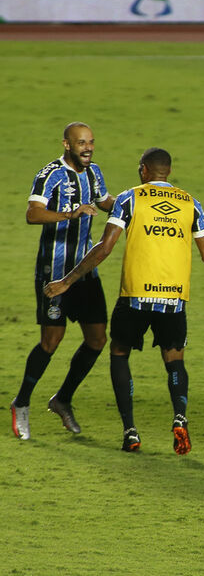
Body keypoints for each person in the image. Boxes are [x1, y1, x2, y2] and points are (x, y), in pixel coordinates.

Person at [44, 147, 204, 453]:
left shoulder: (130, 198)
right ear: (169, 172)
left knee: (120, 352)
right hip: (174, 297)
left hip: (136, 295)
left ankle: (131, 432)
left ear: (143, 170)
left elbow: (105, 246)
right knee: (174, 359)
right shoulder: (192, 203)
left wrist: (67, 281)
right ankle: (179, 417)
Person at [12, 122, 114, 440]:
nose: (88, 147)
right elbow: (32, 213)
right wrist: (70, 214)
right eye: (81, 142)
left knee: (98, 339)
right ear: (66, 144)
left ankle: (62, 399)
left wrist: (137, 202)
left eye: (91, 142)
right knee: (51, 341)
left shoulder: (94, 172)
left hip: (85, 271)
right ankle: (21, 404)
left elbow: (105, 201)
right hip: (54, 272)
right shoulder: (51, 174)